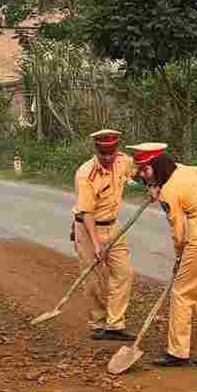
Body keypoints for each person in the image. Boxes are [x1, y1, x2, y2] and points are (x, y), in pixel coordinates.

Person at [129, 142, 197, 370]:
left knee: (181, 292)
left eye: (146, 170)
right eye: (141, 171)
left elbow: (177, 229)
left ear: (158, 165)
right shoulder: (183, 170)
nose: (144, 176)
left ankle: (178, 352)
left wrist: (179, 257)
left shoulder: (169, 192)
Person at [73, 128, 136, 340]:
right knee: (94, 279)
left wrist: (152, 185)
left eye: (111, 153)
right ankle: (98, 323)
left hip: (113, 226)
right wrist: (97, 243)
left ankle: (115, 325)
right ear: (96, 151)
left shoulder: (123, 161)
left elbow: (140, 173)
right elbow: (87, 212)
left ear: (116, 149)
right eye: (103, 154)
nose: (108, 158)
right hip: (87, 227)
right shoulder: (86, 174)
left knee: (123, 272)